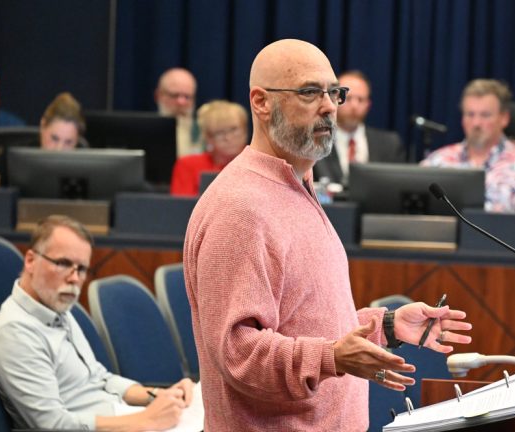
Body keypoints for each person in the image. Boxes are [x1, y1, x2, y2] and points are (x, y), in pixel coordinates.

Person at [183, 39, 472, 431]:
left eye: (334, 93)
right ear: (261, 102)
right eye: (309, 92)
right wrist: (333, 357)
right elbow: (238, 354)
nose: (329, 107)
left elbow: (304, 322)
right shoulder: (240, 209)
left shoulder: (295, 186)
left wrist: (384, 327)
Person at [0, 215, 194, 430]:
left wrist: (159, 397)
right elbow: (52, 425)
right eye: (63, 263)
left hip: (120, 415)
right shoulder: (14, 331)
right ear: (31, 261)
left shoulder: (56, 307)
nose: (74, 278)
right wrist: (146, 421)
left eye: (81, 269)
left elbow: (100, 378)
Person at [420, 79, 515, 213]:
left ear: (504, 118)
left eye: (485, 115)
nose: (476, 123)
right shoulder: (437, 161)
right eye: (470, 114)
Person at [313, 69, 406, 186]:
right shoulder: (316, 140)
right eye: (348, 98)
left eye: (361, 100)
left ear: (368, 105)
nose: (354, 106)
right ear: (333, 100)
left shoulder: (390, 144)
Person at [170, 99, 249, 196]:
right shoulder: (188, 165)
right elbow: (179, 207)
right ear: (208, 138)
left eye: (234, 129)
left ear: (245, 130)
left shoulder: (258, 164)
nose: (228, 138)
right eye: (220, 132)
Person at [154, 67, 201, 157]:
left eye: (187, 97)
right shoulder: (147, 131)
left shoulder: (203, 132)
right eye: (174, 95)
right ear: (158, 95)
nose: (181, 102)